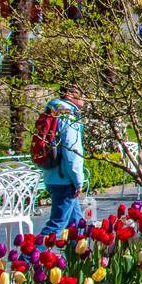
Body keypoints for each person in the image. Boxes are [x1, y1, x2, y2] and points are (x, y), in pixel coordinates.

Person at [39, 85, 87, 237]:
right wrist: (78, 180)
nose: (85, 98)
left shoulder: (52, 113)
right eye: (82, 94)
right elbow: (72, 153)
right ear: (69, 95)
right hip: (64, 179)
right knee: (56, 225)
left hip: (52, 175)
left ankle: (80, 257)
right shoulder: (67, 117)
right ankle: (26, 259)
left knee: (76, 224)